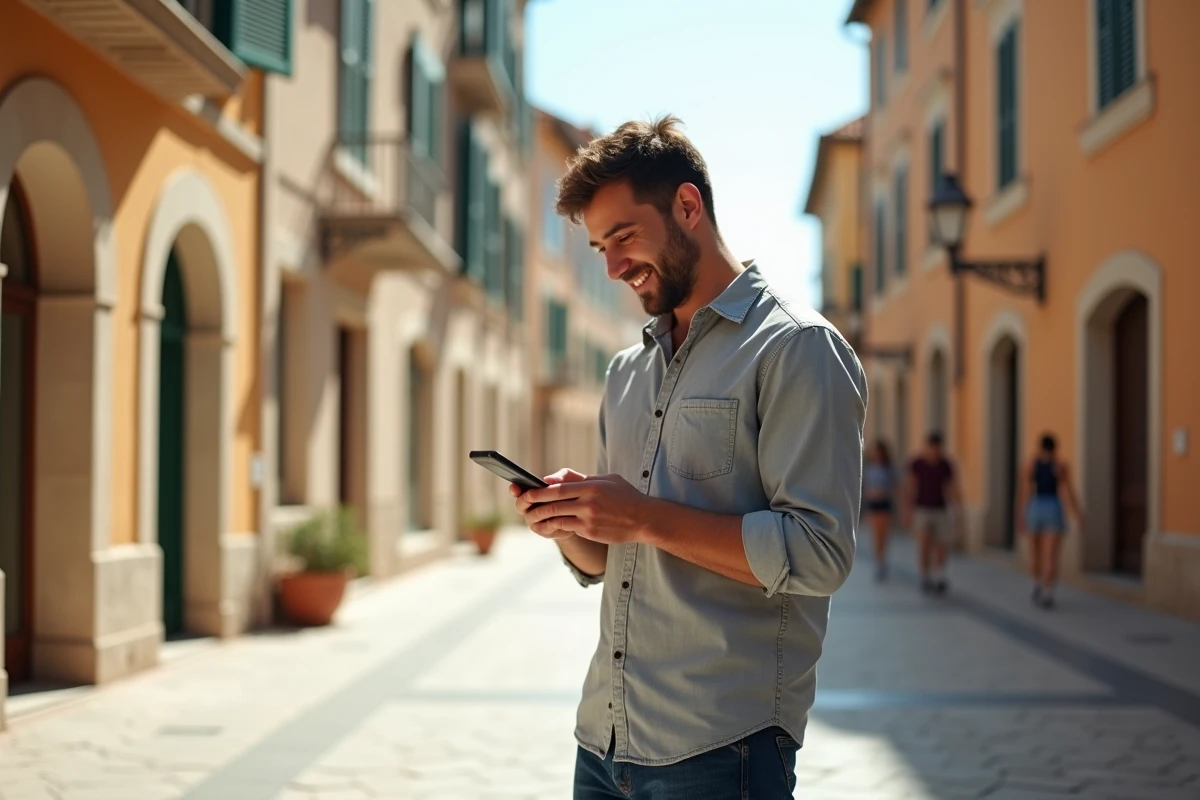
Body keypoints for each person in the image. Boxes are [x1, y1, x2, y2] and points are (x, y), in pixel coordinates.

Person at [508, 116, 867, 798]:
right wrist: (573, 521)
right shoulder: (625, 371)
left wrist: (641, 516)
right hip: (604, 742)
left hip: (719, 749)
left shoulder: (797, 349)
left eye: (622, 237)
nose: (611, 267)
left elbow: (820, 553)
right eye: (597, 248)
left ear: (687, 207)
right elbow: (610, 563)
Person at [1015, 433, 1084, 609]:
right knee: (1050, 554)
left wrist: (1020, 515)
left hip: (1035, 506)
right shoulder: (1060, 467)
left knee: (1035, 552)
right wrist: (1078, 514)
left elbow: (1023, 492)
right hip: (1053, 507)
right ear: (1055, 449)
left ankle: (1036, 584)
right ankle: (1047, 591)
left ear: (1040, 448)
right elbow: (1069, 492)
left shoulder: (1030, 465)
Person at [904, 432, 961, 595]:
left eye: (937, 448)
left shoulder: (945, 465)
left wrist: (958, 509)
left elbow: (951, 487)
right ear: (927, 447)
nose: (934, 451)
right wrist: (907, 509)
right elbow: (910, 486)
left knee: (942, 544)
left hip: (940, 509)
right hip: (922, 509)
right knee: (924, 543)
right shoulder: (917, 464)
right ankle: (924, 575)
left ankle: (939, 574)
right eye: (932, 447)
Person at [863, 439, 898, 581]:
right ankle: (878, 561)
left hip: (885, 503)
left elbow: (895, 487)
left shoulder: (889, 469)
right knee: (876, 535)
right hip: (873, 504)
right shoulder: (869, 468)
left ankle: (882, 559)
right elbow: (864, 487)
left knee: (884, 535)